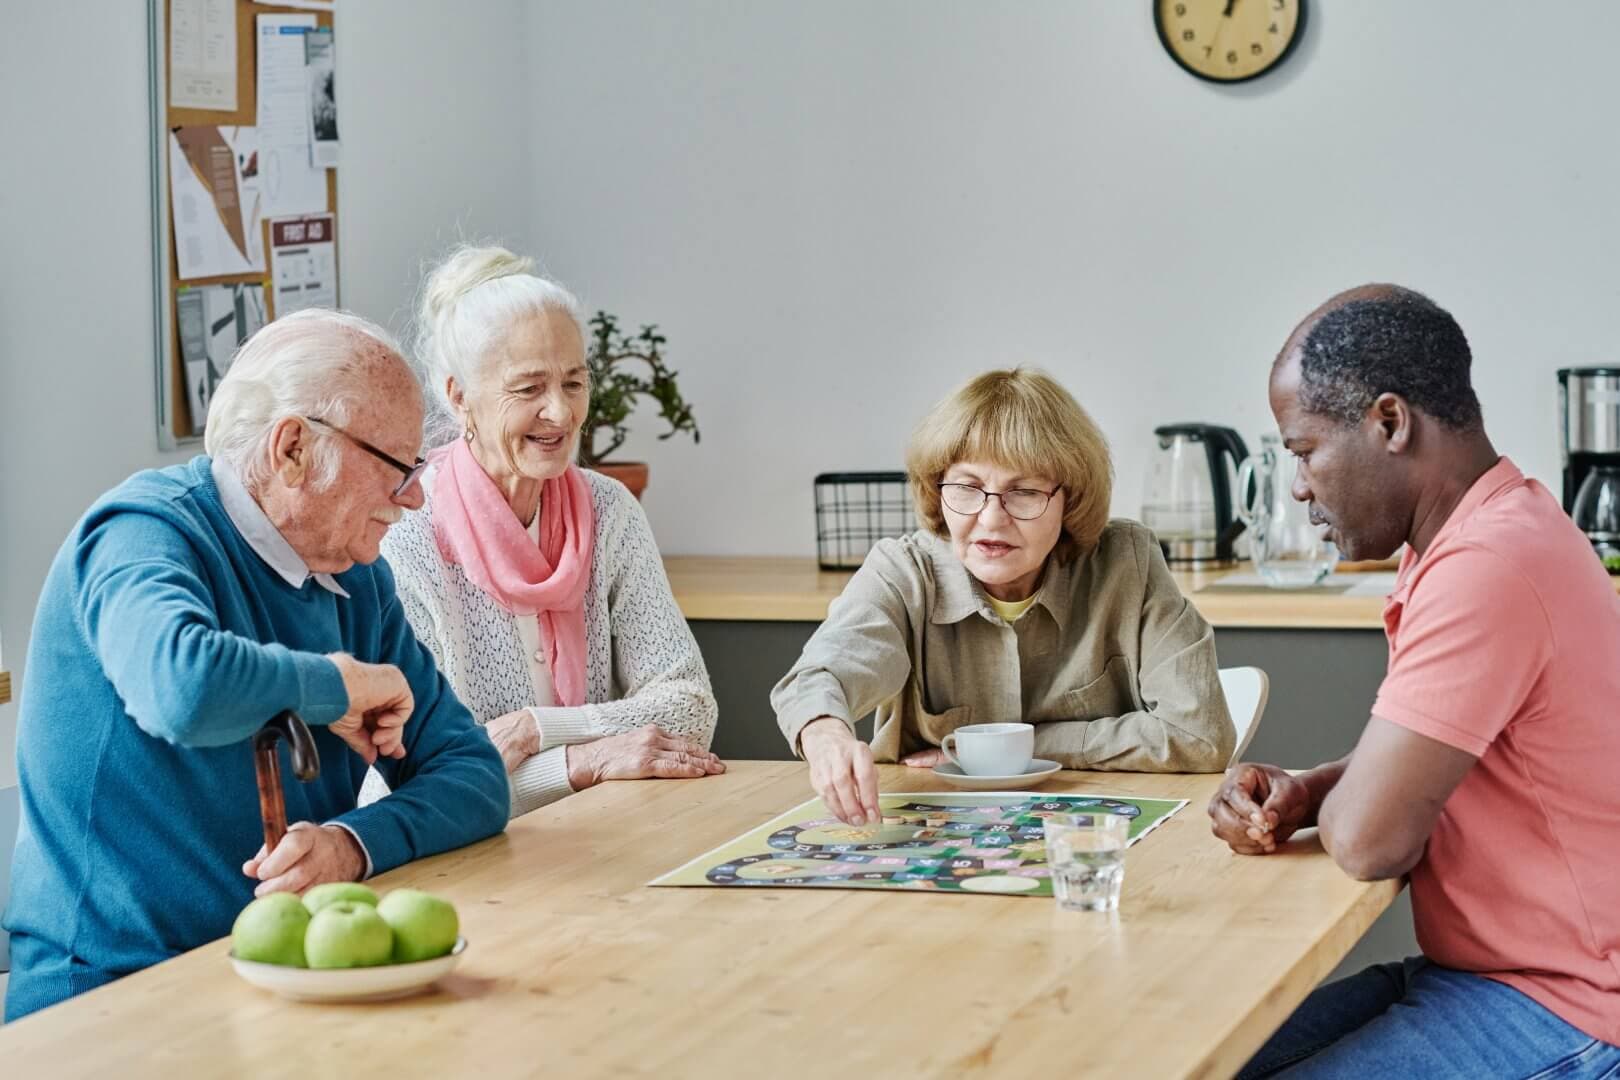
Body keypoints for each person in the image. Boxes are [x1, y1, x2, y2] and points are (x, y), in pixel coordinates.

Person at [2, 310, 509, 1021]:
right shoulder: (143, 532)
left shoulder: (353, 577)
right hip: (109, 998)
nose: (416, 495)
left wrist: (349, 845)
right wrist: (339, 687)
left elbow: (474, 777)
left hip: (283, 983)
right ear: (293, 447)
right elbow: (183, 688)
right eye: (398, 466)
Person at [1209, 285, 1620, 1077]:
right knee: (1203, 1060)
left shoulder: (1487, 565)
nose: (1299, 488)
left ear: (1389, 424)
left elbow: (1370, 843)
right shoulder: (1482, 533)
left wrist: (1348, 801)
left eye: (1304, 452)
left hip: (1567, 1001)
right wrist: (1314, 789)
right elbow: (1459, 764)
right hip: (1492, 974)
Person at [773, 367, 1234, 825]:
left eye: (1025, 491)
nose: (991, 519)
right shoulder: (903, 572)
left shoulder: (1126, 563)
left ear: (1069, 501)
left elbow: (1200, 734)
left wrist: (1015, 748)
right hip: (937, 836)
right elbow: (818, 677)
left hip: (1093, 839)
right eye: (967, 488)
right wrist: (826, 735)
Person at [373, 244, 721, 818]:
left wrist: (532, 730)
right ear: (460, 396)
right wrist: (583, 762)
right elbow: (417, 784)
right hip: (465, 860)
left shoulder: (608, 510)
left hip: (606, 837)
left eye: (574, 383)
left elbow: (689, 706)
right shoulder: (406, 536)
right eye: (529, 388)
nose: (560, 413)